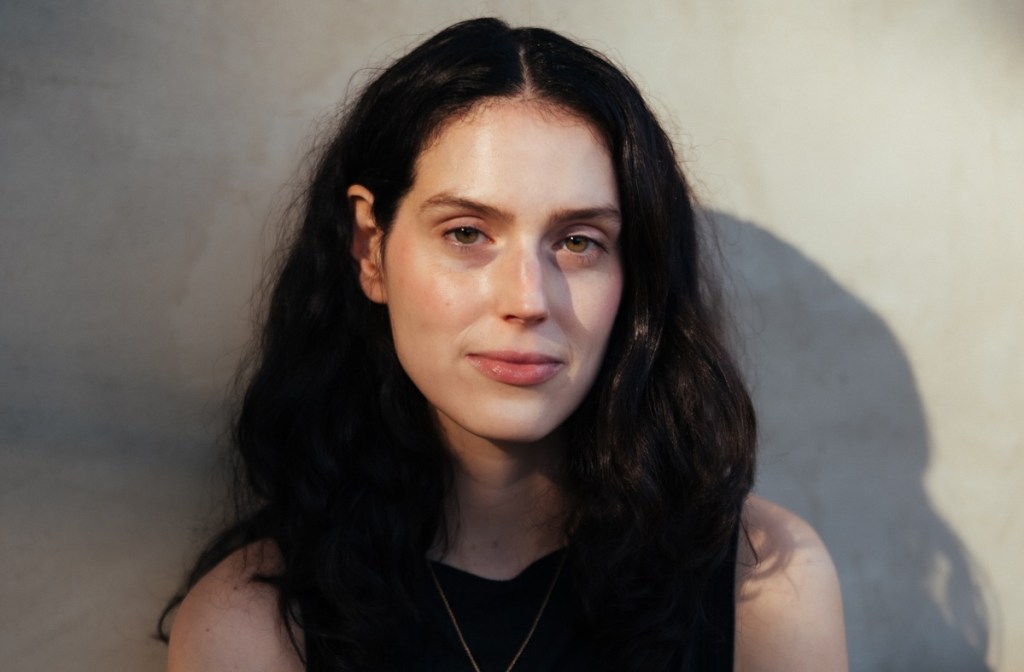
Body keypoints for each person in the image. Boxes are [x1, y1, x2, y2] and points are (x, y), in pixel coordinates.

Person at [161, 17, 846, 671]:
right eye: (466, 233)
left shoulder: (764, 586)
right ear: (370, 247)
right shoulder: (250, 627)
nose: (528, 299)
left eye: (578, 242)